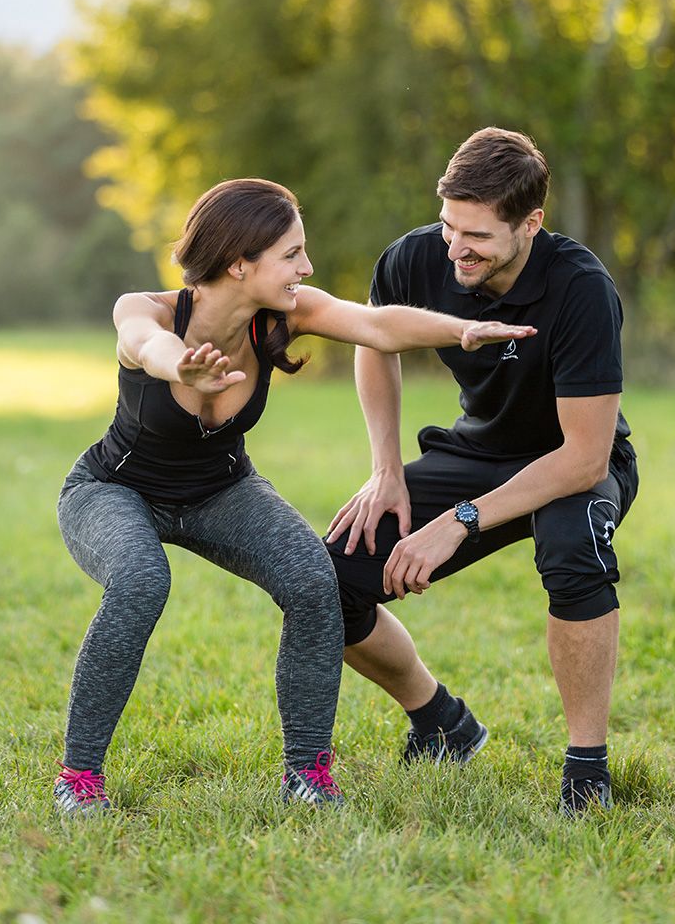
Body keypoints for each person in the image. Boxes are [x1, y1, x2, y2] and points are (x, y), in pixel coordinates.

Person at [54, 177, 535, 818]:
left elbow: (376, 325)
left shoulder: (285, 312)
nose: (306, 267)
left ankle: (307, 776)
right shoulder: (145, 310)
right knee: (141, 579)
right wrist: (182, 368)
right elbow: (148, 345)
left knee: (315, 582)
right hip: (113, 488)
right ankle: (78, 782)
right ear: (238, 262)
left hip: (219, 488)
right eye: (292, 255)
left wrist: (463, 329)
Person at [326, 129, 639, 816]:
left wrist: (458, 522)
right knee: (325, 580)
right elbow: (374, 342)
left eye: (478, 235)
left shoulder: (581, 288)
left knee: (573, 548)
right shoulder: (415, 258)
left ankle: (587, 770)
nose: (455, 248)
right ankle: (441, 721)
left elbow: (583, 456)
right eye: (448, 226)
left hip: (573, 459)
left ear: (530, 224)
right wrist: (387, 471)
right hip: (476, 450)